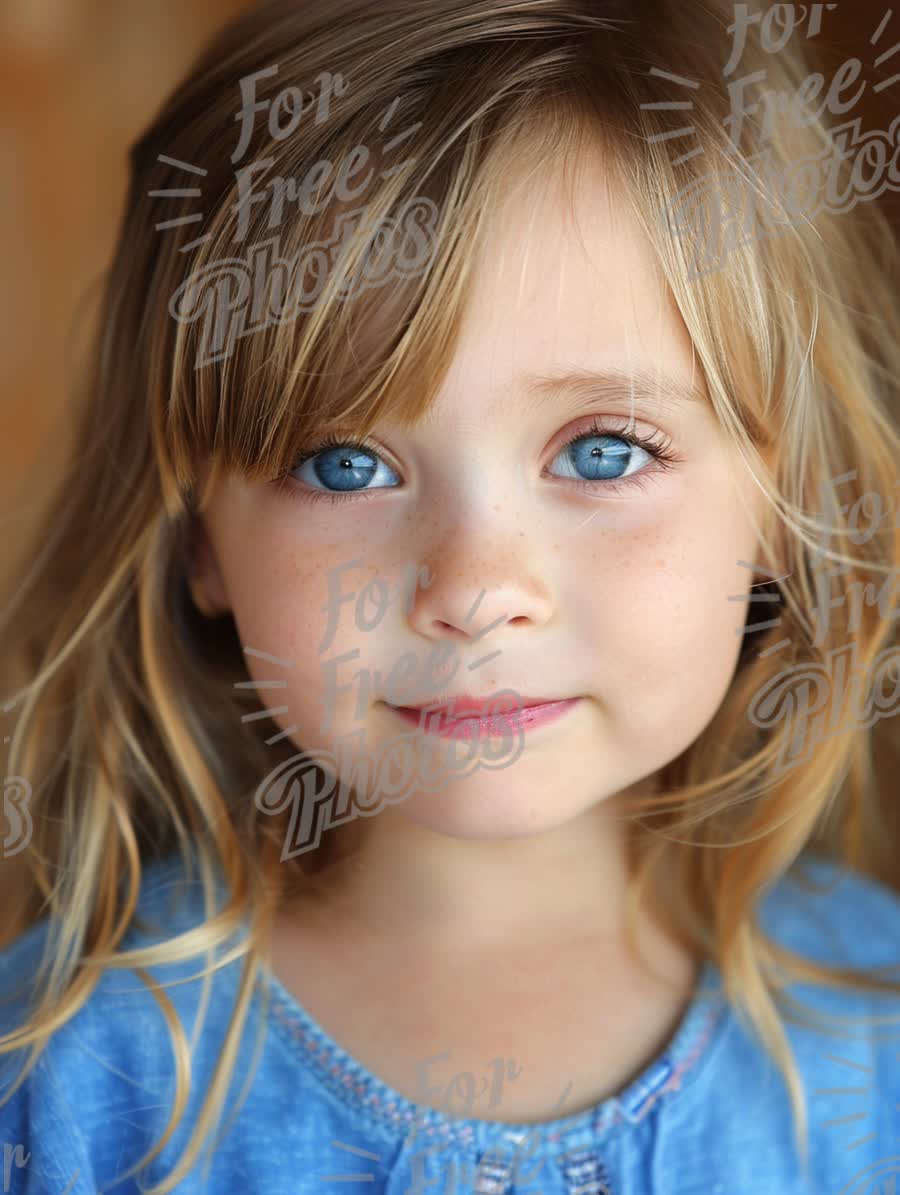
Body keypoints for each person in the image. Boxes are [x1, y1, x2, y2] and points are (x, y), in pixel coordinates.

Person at [1, 1, 899, 1192]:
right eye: (343, 464)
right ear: (197, 541)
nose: (475, 594)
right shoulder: (66, 1074)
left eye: (602, 452)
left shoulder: (875, 1035)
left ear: (793, 502)